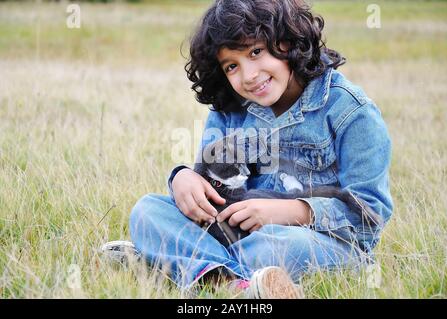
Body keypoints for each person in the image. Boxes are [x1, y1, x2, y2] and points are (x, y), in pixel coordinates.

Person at [102, 0, 393, 298]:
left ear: (287, 40)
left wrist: (288, 212)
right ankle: (234, 282)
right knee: (148, 210)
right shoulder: (230, 107)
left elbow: (370, 212)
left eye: (256, 52)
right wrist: (184, 179)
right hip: (234, 234)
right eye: (232, 66)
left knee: (274, 245)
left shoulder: (350, 111)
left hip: (317, 242)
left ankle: (173, 261)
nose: (249, 75)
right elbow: (212, 183)